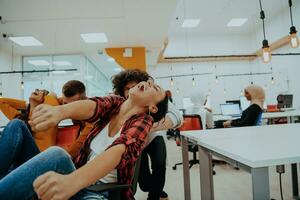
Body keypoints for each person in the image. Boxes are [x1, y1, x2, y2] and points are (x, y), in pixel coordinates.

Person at [0, 80, 168, 200]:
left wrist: (72, 182)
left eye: (155, 87)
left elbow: (120, 149)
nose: (148, 82)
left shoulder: (144, 121)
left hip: (98, 192)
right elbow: (94, 106)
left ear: (153, 107)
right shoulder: (116, 103)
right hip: (74, 178)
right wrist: (61, 111)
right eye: (149, 81)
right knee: (17, 126)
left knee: (58, 155)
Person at [112, 69, 183, 200]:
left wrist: (148, 127)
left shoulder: (154, 99)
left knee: (160, 165)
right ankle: (153, 188)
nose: (132, 90)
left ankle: (155, 195)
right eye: (127, 88)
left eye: (135, 86)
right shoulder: (120, 105)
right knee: (143, 182)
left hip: (155, 136)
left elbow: (177, 117)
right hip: (135, 143)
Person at [0, 80, 89, 179]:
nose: (66, 106)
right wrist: (29, 104)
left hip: (42, 158)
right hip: (24, 158)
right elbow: (2, 101)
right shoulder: (46, 105)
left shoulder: (88, 115)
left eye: (70, 105)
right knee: (16, 123)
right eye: (64, 102)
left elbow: (77, 146)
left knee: (16, 124)